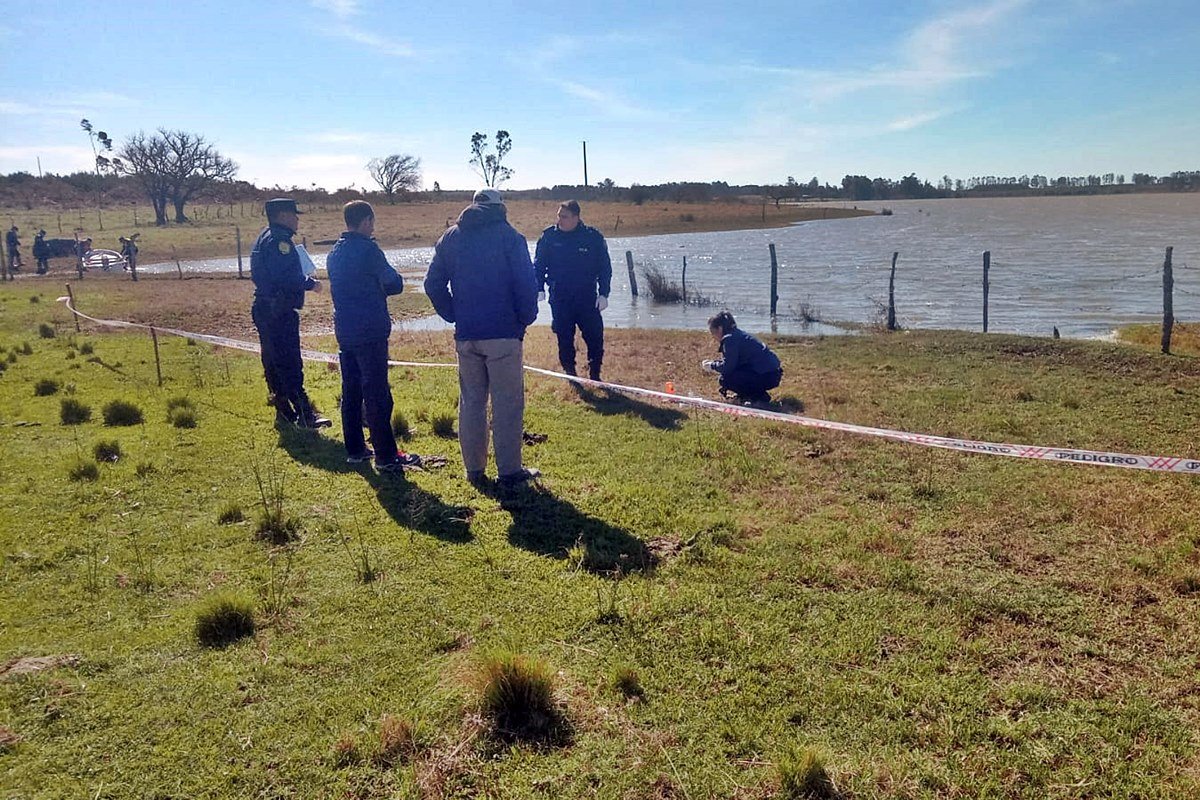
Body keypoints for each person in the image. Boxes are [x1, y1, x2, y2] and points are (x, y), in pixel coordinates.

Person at [424, 188, 540, 487]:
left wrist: (454, 314)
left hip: (467, 335)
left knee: (472, 402)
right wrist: (523, 320)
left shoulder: (450, 237)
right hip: (503, 334)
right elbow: (526, 285)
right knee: (506, 403)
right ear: (501, 208)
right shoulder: (510, 237)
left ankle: (474, 470)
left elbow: (432, 283)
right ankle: (510, 472)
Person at [325, 200, 420, 473]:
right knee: (378, 393)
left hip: (345, 329)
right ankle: (386, 456)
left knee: (351, 391)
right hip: (370, 331)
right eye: (372, 222)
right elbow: (393, 282)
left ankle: (355, 449)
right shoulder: (369, 250)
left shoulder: (335, 252)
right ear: (366, 221)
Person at [250, 197, 331, 429]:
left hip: (266, 307)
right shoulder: (279, 241)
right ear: (283, 215)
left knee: (273, 360)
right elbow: (285, 276)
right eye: (294, 214)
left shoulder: (265, 237)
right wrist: (310, 283)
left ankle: (283, 409)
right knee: (289, 361)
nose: (297, 219)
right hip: (278, 310)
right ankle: (305, 412)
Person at [534, 200, 612, 380]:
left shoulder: (592, 237)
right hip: (560, 297)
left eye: (565, 217)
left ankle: (595, 374)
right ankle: (571, 373)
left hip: (587, 297)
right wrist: (539, 288)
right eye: (559, 216)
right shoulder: (549, 237)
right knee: (564, 337)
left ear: (576, 218)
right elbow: (538, 266)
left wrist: (604, 293)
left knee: (594, 337)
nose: (560, 220)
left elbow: (604, 268)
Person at [701, 311, 783, 406]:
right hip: (773, 373)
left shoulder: (730, 340)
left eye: (713, 332)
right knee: (733, 375)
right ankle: (752, 395)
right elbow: (734, 362)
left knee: (725, 379)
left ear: (720, 329)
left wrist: (712, 366)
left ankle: (758, 397)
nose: (713, 337)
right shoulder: (737, 334)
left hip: (767, 376)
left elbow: (728, 367)